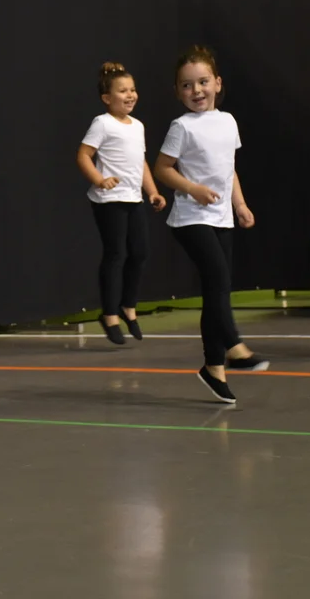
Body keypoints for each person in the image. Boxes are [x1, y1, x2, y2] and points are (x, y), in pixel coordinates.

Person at [153, 46, 265, 405]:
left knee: (218, 289)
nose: (196, 90)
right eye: (187, 85)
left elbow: (228, 169)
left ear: (217, 83)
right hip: (190, 217)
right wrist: (192, 189)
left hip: (221, 217)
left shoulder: (228, 122)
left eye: (203, 82)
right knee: (217, 280)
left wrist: (240, 204)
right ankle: (234, 346)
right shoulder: (182, 127)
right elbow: (162, 169)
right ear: (177, 91)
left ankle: (213, 368)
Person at [76, 62, 166, 344]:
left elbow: (140, 162)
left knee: (140, 252)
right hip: (109, 199)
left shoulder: (137, 126)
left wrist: (152, 192)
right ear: (107, 98)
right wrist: (99, 179)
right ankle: (110, 314)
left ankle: (128, 306)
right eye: (123, 91)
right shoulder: (102, 123)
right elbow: (83, 155)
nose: (130, 95)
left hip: (132, 197)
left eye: (133, 89)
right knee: (116, 254)